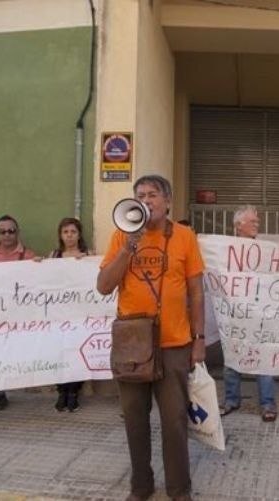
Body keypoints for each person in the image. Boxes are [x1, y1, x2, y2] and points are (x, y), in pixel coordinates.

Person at [97, 175, 205, 501]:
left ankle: (179, 490)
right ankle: (140, 487)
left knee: (174, 423)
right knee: (134, 419)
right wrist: (128, 248)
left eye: (153, 195)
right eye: (140, 195)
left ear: (168, 201)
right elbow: (103, 285)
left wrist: (198, 339)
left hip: (174, 343)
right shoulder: (122, 236)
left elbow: (196, 291)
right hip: (133, 344)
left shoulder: (185, 236)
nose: (147, 200)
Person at [219, 205, 278, 422]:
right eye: (252, 221)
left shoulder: (265, 252)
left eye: (257, 221)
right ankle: (232, 399)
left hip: (260, 316)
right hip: (234, 315)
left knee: (263, 360)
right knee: (232, 358)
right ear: (238, 225)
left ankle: (268, 403)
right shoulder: (224, 250)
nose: (257, 224)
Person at [0, 214, 37, 411]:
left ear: (17, 232)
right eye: (3, 231)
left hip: (18, 313)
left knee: (14, 350)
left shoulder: (28, 255)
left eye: (11, 231)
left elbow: (37, 281)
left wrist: (42, 266)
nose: (7, 235)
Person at [47, 217, 91, 412]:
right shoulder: (55, 255)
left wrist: (87, 263)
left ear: (79, 234)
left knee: (77, 352)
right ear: (60, 235)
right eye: (65, 232)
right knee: (59, 352)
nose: (69, 235)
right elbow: (43, 280)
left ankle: (74, 391)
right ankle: (61, 391)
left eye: (73, 232)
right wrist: (39, 264)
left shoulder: (88, 255)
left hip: (80, 314)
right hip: (59, 315)